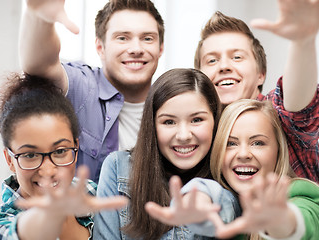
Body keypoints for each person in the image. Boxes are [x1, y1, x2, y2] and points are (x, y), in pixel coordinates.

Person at [146, 99, 319, 240]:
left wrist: (280, 221)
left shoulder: (305, 195)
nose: (243, 154)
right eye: (231, 143)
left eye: (258, 143)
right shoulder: (228, 204)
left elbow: (302, 220)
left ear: (279, 151)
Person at [18, 0, 165, 182]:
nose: (136, 49)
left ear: (160, 48)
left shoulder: (170, 103)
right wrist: (38, 18)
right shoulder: (82, 86)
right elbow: (40, 64)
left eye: (147, 38)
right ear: (100, 48)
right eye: (122, 38)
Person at [194, 0, 319, 186]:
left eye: (237, 57)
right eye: (212, 60)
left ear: (261, 74)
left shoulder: (277, 115)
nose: (224, 66)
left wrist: (302, 42)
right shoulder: (200, 129)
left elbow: (297, 106)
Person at [93, 68, 241, 239]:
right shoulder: (118, 167)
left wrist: (203, 197)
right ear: (152, 125)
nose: (184, 135)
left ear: (215, 120)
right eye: (169, 122)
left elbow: (225, 204)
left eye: (197, 120)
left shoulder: (228, 174)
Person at [0, 73, 128, 240]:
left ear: (76, 146)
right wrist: (47, 217)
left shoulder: (92, 192)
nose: (48, 170)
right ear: (9, 159)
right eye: (30, 155)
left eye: (60, 151)